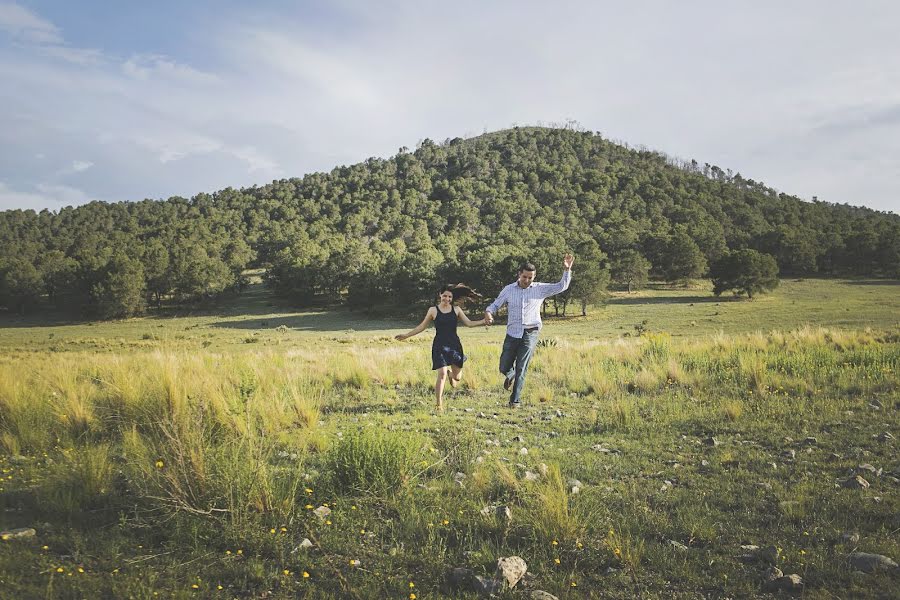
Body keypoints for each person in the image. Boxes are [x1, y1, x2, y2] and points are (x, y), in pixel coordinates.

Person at [484, 254, 575, 408]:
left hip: (530, 333)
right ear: (519, 274)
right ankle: (510, 375)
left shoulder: (540, 289)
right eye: (524, 277)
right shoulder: (508, 289)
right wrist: (488, 312)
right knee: (503, 366)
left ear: (534, 277)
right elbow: (495, 304)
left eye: (530, 277)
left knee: (522, 367)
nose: (527, 280)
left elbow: (561, 286)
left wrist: (567, 270)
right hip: (512, 333)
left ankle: (515, 401)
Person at [395, 285, 487, 411]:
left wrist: (483, 321)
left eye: (449, 297)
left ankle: (451, 375)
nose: (447, 299)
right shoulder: (433, 310)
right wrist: (406, 335)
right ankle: (439, 404)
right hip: (439, 345)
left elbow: (469, 324)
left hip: (454, 345)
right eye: (445, 296)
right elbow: (422, 327)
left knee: (457, 378)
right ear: (440, 295)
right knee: (441, 373)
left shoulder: (456, 309)